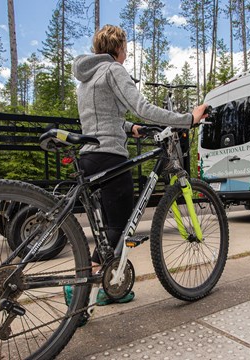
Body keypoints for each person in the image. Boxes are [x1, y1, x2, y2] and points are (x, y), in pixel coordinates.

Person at [66, 24, 208, 309]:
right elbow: (143, 107)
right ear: (119, 48)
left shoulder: (87, 78)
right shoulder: (114, 70)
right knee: (121, 226)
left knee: (108, 230)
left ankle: (109, 288)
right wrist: (188, 119)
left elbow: (101, 116)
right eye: (126, 48)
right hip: (110, 157)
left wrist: (129, 127)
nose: (126, 53)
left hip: (90, 156)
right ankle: (77, 289)